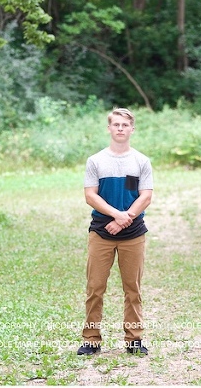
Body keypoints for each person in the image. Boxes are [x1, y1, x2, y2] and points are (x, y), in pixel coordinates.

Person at [77, 107, 153, 356]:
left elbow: (145, 197)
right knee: (95, 288)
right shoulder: (96, 161)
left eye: (125, 125)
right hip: (101, 232)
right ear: (109, 128)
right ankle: (91, 340)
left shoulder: (141, 161)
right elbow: (90, 196)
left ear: (132, 129)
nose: (120, 128)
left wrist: (123, 220)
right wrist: (116, 215)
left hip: (133, 234)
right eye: (116, 124)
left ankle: (134, 340)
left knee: (133, 289)